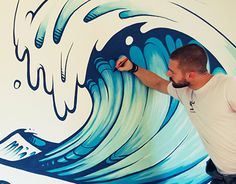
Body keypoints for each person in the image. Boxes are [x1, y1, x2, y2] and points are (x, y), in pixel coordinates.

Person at [115, 44, 236, 184]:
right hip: (220, 174)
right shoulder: (185, 90)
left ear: (190, 75)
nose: (168, 74)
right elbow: (158, 83)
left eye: (172, 71)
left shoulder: (227, 87)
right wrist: (133, 68)